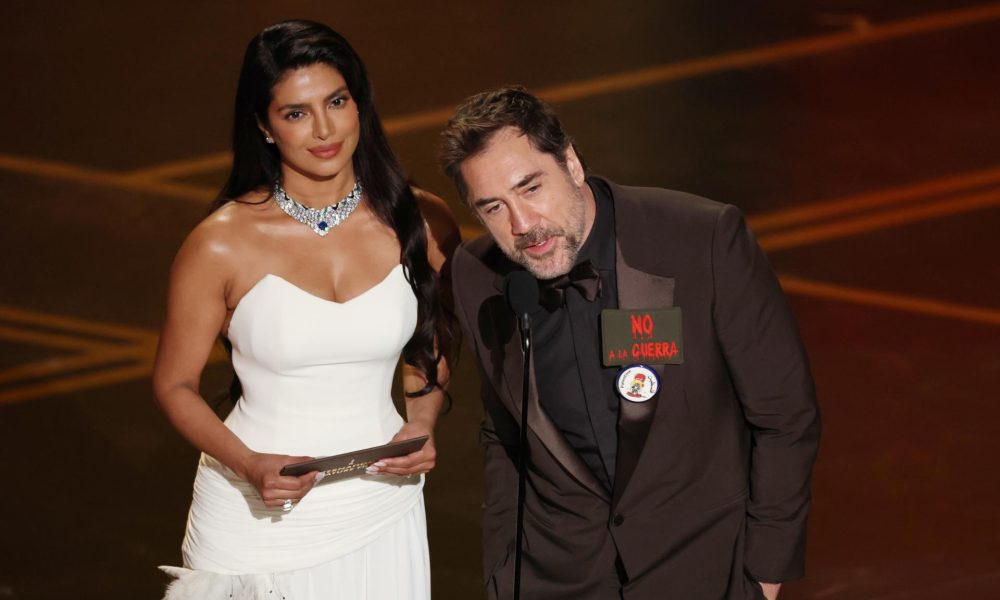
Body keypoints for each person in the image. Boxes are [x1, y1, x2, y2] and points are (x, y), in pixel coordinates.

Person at [439, 86, 820, 600]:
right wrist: (504, 572)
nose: (522, 225)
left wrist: (763, 578)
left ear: (571, 164)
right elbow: (505, 433)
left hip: (700, 570)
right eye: (493, 208)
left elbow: (785, 416)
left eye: (531, 188)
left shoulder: (700, 239)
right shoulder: (477, 276)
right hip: (559, 579)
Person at [152, 20, 458, 599]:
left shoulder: (422, 220)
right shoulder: (219, 244)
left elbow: (434, 340)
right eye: (295, 113)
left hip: (381, 505)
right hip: (257, 517)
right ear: (265, 127)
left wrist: (420, 423)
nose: (324, 129)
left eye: (337, 102)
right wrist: (247, 464)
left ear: (358, 103)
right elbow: (175, 385)